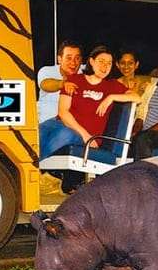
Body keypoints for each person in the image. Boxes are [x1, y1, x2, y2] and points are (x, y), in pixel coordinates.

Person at [40, 46, 142, 192]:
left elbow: (136, 97)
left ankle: (34, 170)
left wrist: (111, 97)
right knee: (37, 133)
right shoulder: (75, 79)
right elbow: (63, 112)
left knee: (65, 134)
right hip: (59, 123)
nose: (105, 66)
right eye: (101, 61)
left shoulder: (112, 86)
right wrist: (85, 134)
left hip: (80, 135)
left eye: (109, 63)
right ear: (91, 62)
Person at [37, 40, 82, 125]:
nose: (73, 62)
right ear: (59, 59)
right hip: (48, 126)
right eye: (69, 58)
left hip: (73, 126)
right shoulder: (47, 71)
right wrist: (63, 84)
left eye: (77, 58)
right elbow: (45, 84)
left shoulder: (85, 72)